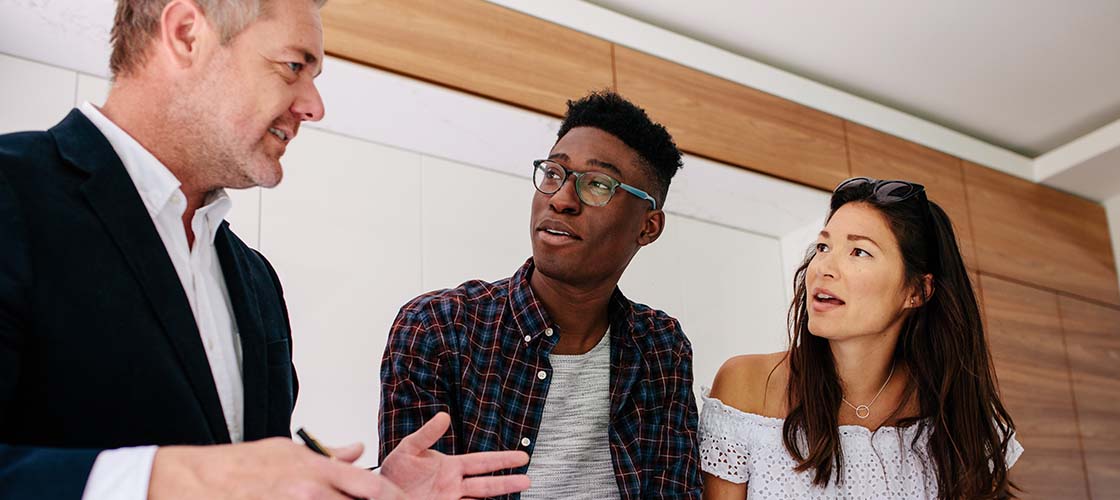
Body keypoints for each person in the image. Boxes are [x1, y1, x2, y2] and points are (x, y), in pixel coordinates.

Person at [0, 0, 528, 498]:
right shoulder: (12, 192)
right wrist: (182, 479)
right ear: (186, 35)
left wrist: (369, 492)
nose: (314, 107)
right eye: (293, 66)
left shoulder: (256, 281)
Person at [380, 90, 702, 499]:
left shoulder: (661, 347)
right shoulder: (437, 328)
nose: (562, 199)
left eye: (597, 184)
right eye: (553, 173)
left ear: (648, 226)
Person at [700, 177, 1023, 499]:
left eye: (859, 252)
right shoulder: (747, 387)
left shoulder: (957, 417)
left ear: (916, 291)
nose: (824, 267)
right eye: (823, 247)